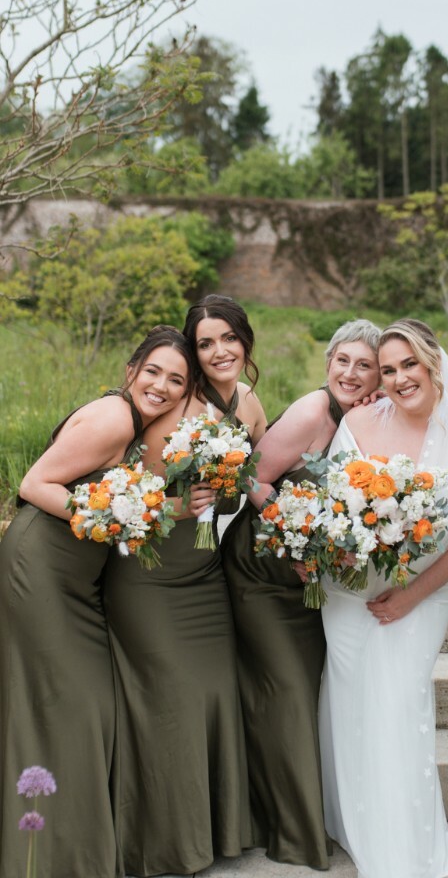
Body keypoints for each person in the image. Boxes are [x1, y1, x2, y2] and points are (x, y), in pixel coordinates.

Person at [0, 326, 193, 878]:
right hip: (40, 571)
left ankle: (65, 848)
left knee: (75, 708)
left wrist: (177, 508)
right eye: (153, 371)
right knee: (71, 708)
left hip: (73, 578)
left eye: (175, 380)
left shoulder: (133, 422)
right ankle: (55, 857)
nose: (161, 385)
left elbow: (124, 500)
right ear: (131, 369)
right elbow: (37, 483)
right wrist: (110, 521)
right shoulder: (114, 418)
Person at [320, 319, 448, 878]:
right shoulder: (356, 421)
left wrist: (411, 595)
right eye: (388, 369)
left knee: (399, 705)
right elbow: (334, 506)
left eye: (408, 366)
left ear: (433, 364)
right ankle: (352, 821)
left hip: (423, 592)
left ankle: (406, 845)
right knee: (348, 702)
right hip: (349, 591)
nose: (398, 379)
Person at [103, 295, 266, 877]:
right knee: (169, 697)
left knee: (216, 690)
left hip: (205, 573)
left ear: (245, 342)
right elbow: (123, 488)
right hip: (149, 572)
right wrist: (177, 502)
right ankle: (168, 840)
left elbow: (257, 472)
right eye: (205, 343)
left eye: (228, 338)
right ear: (194, 355)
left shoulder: (248, 403)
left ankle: (218, 830)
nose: (219, 351)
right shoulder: (174, 407)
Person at [222, 318, 381, 870]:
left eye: (365, 365)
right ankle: (294, 833)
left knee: (302, 693)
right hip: (263, 569)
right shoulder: (313, 412)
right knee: (285, 692)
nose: (352, 373)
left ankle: (294, 815)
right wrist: (294, 525)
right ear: (328, 361)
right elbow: (252, 478)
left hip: (310, 580)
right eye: (344, 360)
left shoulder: (367, 417)